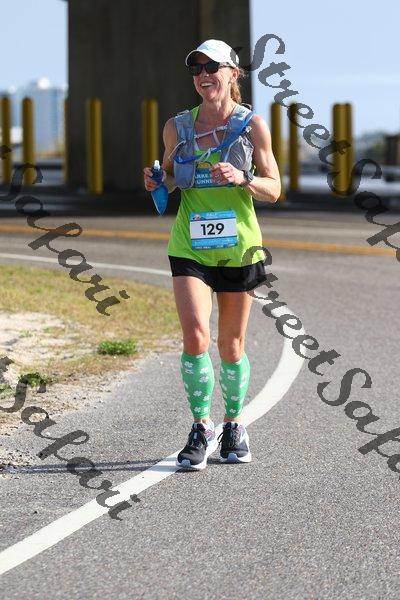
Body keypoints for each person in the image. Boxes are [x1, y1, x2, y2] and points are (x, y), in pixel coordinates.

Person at [143, 39, 280, 471]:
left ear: (233, 73)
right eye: (196, 68)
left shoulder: (253, 125)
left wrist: (243, 178)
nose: (203, 75)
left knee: (231, 345)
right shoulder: (176, 127)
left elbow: (275, 188)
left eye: (212, 67)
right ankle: (201, 427)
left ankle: (234, 424)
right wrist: (156, 181)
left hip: (239, 246)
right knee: (196, 336)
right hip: (190, 245)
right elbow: (168, 177)